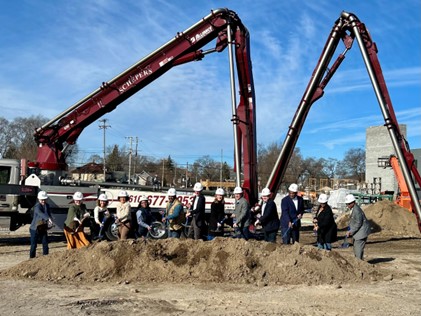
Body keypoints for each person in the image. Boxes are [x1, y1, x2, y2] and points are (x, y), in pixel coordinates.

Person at [345, 194, 371, 260]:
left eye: (348, 204)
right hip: (358, 232)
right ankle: (359, 263)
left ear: (353, 202)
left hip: (361, 233)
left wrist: (350, 231)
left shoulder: (357, 211)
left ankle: (359, 264)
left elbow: (358, 223)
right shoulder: (354, 208)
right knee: (357, 249)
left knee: (358, 249)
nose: (347, 206)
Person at [29, 191, 54, 258]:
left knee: (45, 243)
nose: (43, 201)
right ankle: (31, 258)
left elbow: (48, 214)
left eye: (44, 199)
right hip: (34, 229)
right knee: (33, 245)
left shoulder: (47, 206)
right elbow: (40, 213)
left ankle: (46, 258)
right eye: (42, 200)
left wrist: (51, 220)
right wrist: (48, 218)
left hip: (42, 228)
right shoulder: (37, 206)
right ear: (38, 199)